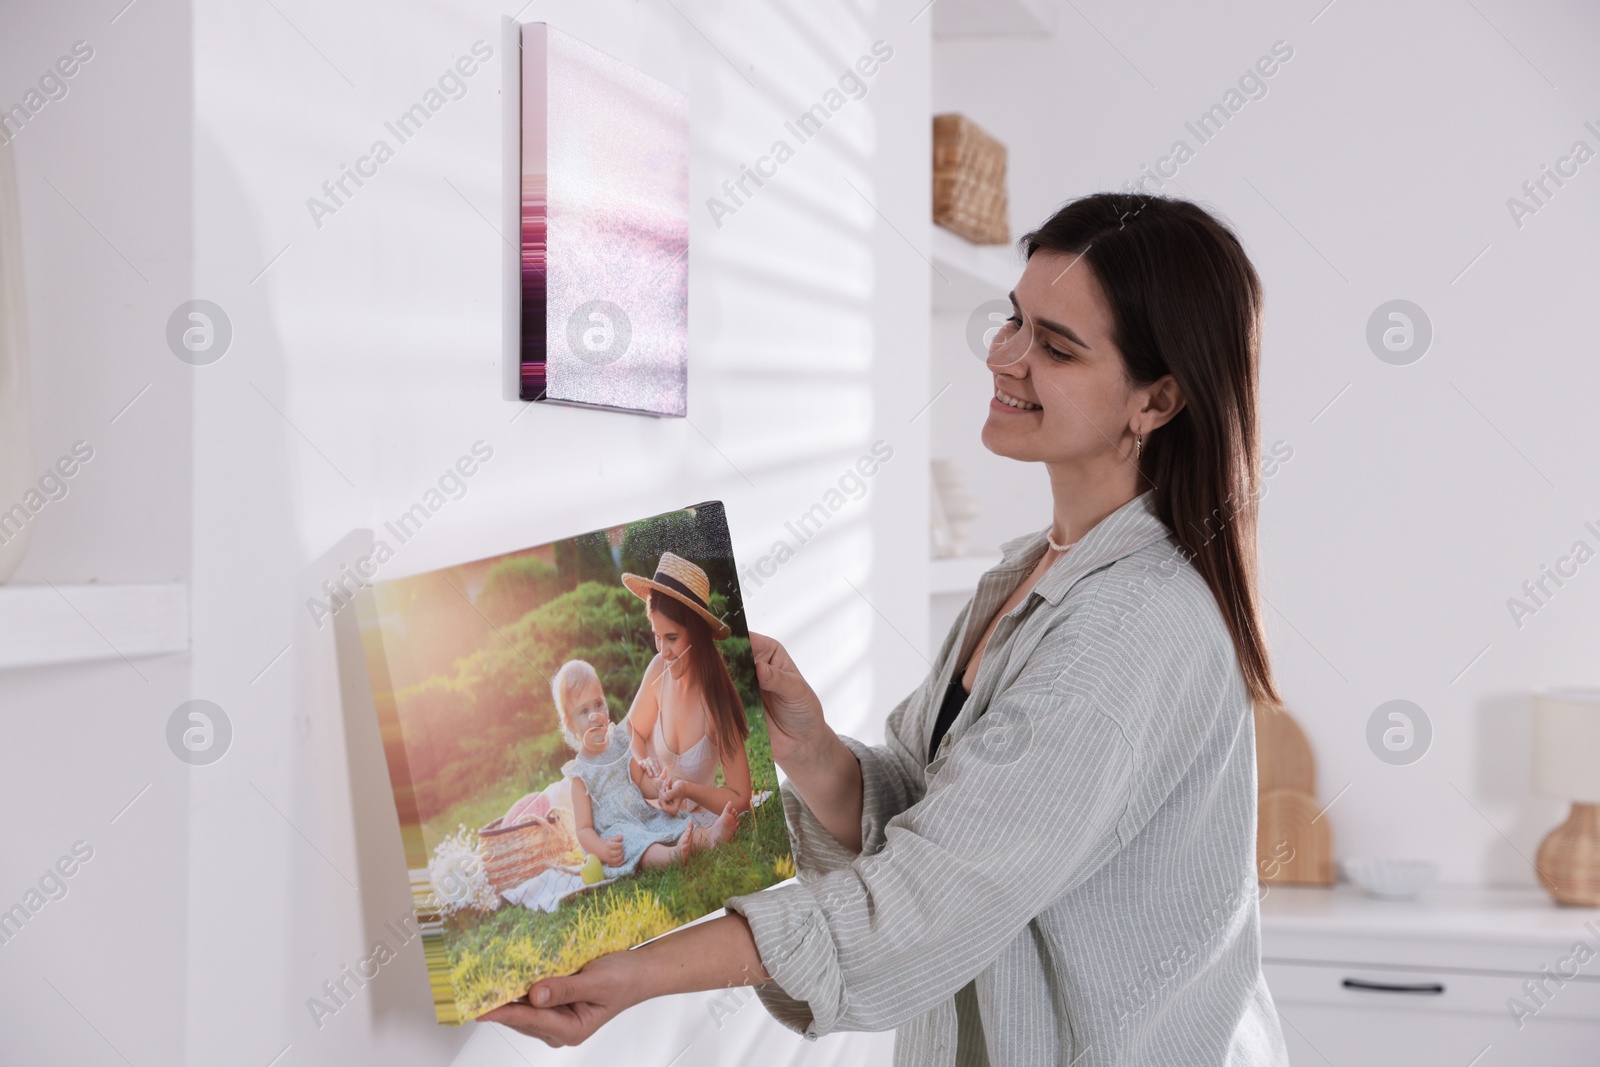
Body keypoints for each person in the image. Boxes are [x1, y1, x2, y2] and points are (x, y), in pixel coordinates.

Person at [483, 193, 1292, 1066]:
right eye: (1014, 320)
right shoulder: (1028, 572)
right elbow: (933, 810)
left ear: (1158, 399)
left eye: (1056, 346)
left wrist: (637, 972)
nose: (1005, 357)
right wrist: (811, 745)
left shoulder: (1134, 630)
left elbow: (933, 894)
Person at [551, 659, 735, 877]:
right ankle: (669, 857)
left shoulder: (619, 743)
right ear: (570, 724)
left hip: (642, 815)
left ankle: (709, 836)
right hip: (616, 833)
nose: (595, 716)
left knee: (671, 823)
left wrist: (659, 788)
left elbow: (639, 781)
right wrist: (602, 849)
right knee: (636, 841)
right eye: (584, 711)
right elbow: (583, 829)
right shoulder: (579, 773)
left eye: (598, 704)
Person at [620, 551, 754, 827]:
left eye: (672, 638)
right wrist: (642, 759)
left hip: (677, 812)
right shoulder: (659, 669)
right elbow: (631, 730)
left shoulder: (716, 705)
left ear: (697, 633)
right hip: (640, 795)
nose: (663, 651)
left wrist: (687, 789)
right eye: (657, 637)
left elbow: (741, 798)